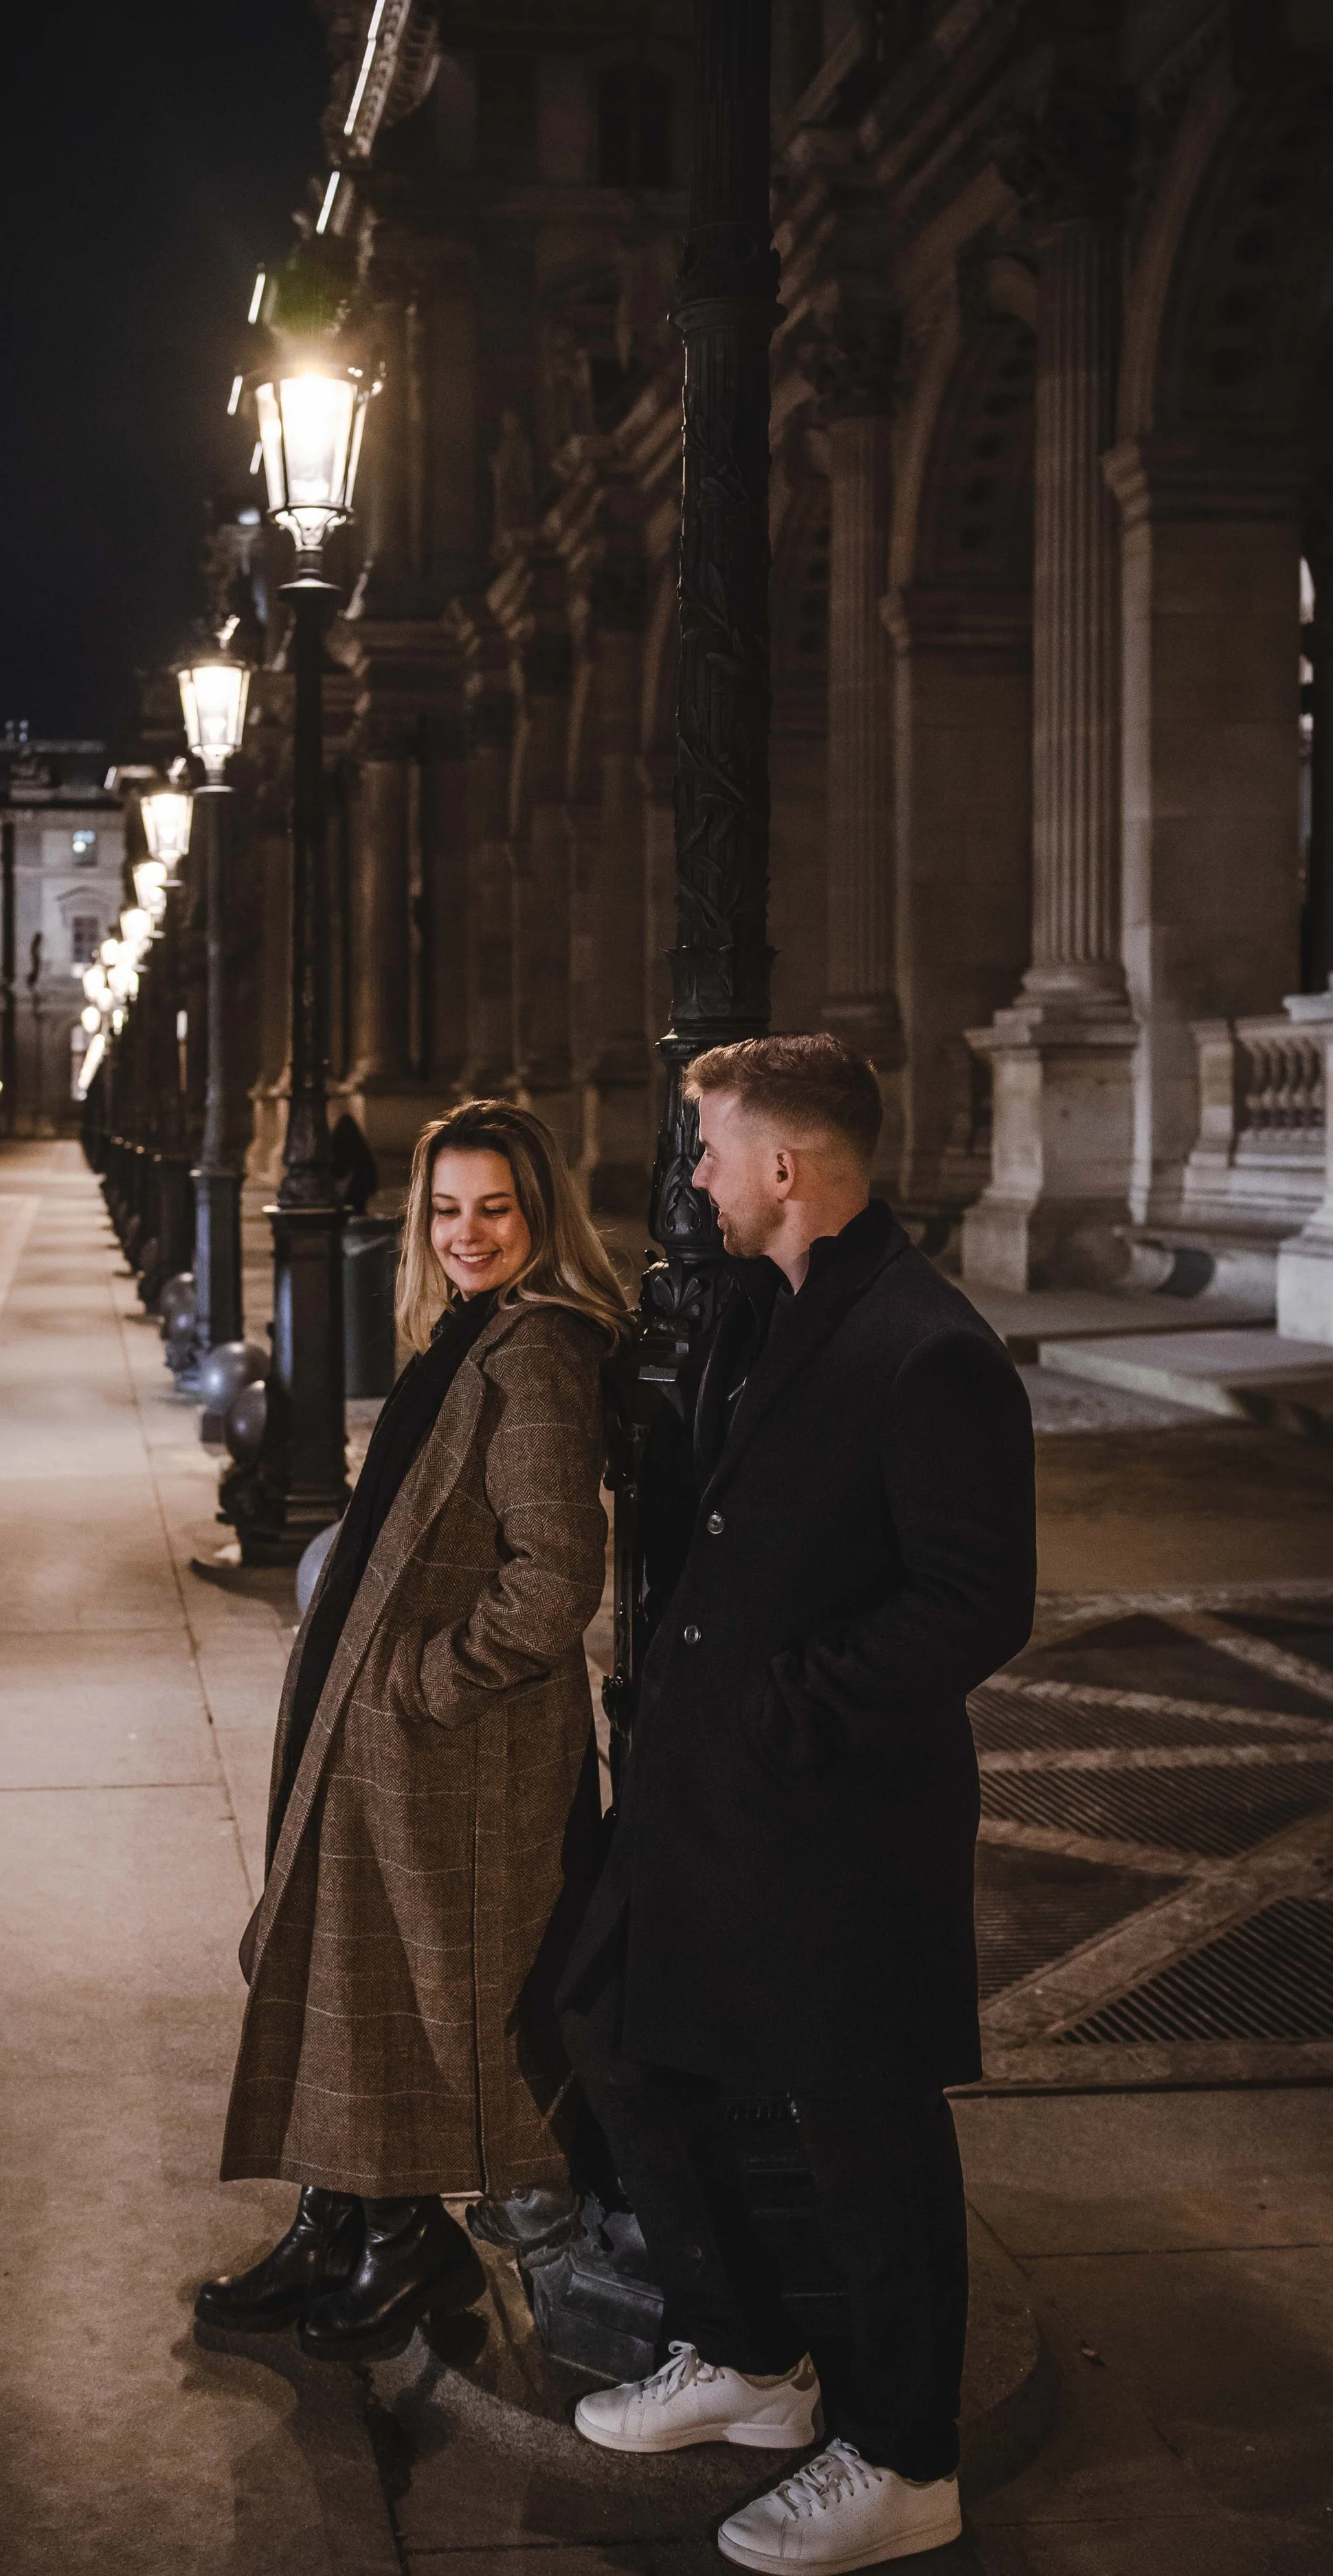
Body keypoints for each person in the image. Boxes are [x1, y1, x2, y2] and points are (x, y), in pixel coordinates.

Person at [559, 1034, 1035, 2575]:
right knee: (617, 2033)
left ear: (782, 1165)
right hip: (702, 1791)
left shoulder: (924, 1344)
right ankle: (750, 2363)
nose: (688, 1179)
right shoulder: (756, 1309)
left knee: (862, 2126)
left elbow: (973, 1604)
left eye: (706, 1150)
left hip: (831, 1812)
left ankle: (904, 2459)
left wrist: (788, 1706)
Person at [200, 1100, 630, 2363]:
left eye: (495, 1206)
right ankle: (341, 2219)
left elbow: (554, 1582)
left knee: (427, 2004)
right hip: (387, 1735)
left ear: (540, 1211)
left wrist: (421, 1687)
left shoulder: (540, 1350)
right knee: (351, 1986)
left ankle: (402, 2239)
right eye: (446, 1207)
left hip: (461, 1752)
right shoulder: (466, 1330)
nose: (467, 1231)